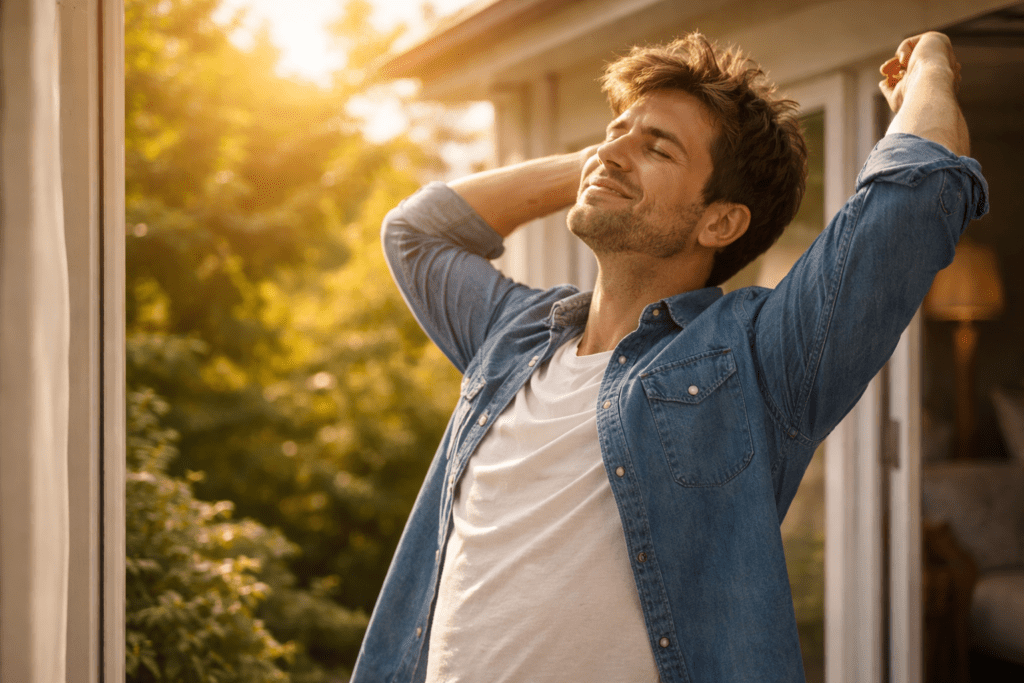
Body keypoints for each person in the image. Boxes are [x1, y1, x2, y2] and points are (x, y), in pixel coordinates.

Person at [351, 31, 987, 683]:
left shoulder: (754, 360)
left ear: (720, 223)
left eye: (658, 147)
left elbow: (911, 199)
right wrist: (606, 164)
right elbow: (417, 233)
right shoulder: (513, 335)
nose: (612, 149)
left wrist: (932, 65)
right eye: (613, 129)